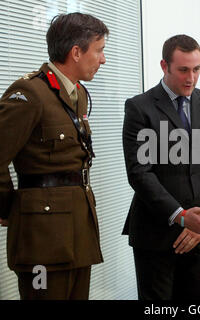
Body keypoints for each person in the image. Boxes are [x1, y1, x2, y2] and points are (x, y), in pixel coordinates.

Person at [0, 13, 108, 299]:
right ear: (76, 52)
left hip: (78, 229)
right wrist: (8, 207)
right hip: (42, 236)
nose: (103, 59)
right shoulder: (30, 92)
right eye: (99, 50)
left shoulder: (78, 94)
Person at [122, 34, 200, 300]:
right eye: (183, 69)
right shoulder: (140, 107)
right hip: (156, 233)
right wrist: (181, 216)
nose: (191, 78)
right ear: (165, 66)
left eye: (196, 69)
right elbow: (139, 173)